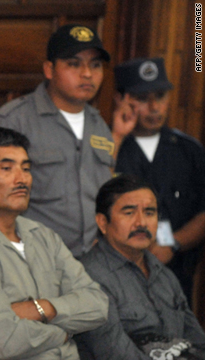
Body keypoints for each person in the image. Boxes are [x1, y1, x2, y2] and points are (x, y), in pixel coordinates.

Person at [0, 127, 108, 360]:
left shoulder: (43, 236)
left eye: (26, 168)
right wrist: (64, 333)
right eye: (6, 168)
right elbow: (4, 341)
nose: (22, 178)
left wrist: (42, 309)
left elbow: (98, 305)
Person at [0, 24, 135, 257]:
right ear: (49, 69)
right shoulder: (15, 121)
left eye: (95, 65)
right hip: (34, 261)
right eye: (73, 64)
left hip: (90, 263)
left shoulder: (99, 125)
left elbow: (104, 186)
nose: (87, 73)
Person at [75, 175, 205, 359]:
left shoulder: (164, 274)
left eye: (149, 213)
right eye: (129, 213)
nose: (141, 223)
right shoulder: (87, 278)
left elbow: (197, 341)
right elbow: (116, 354)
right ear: (103, 222)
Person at [113, 57, 205, 305]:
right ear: (121, 99)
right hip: (120, 274)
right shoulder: (112, 146)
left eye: (161, 96)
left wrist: (173, 245)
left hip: (176, 272)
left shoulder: (189, 150)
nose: (154, 107)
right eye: (142, 98)